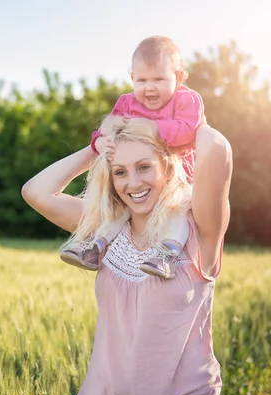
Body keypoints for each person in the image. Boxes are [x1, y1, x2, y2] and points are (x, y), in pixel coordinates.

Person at [21, 116, 232, 395]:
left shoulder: (200, 229)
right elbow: (35, 192)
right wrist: (94, 149)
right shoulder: (105, 229)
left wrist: (191, 121)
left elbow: (218, 151)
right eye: (119, 172)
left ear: (167, 167)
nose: (133, 183)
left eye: (144, 167)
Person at [60, 36, 204, 280]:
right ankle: (95, 246)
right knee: (119, 209)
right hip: (139, 176)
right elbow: (108, 129)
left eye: (159, 79)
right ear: (132, 79)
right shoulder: (127, 103)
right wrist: (99, 141)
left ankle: (167, 253)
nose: (149, 88)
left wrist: (151, 127)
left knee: (178, 209)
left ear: (178, 78)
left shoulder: (187, 100)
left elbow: (188, 130)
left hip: (179, 179)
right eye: (142, 80)